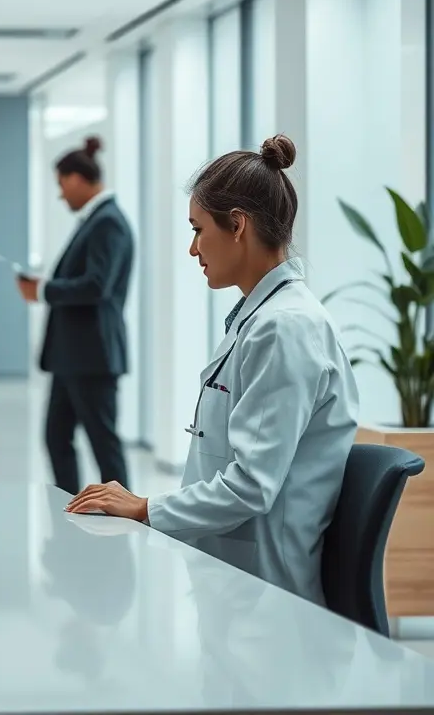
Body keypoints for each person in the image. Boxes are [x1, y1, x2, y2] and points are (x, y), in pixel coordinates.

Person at [65, 135, 360, 606]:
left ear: (237, 225)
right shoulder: (263, 319)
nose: (193, 248)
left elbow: (251, 488)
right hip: (232, 578)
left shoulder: (284, 327)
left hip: (265, 599)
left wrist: (143, 507)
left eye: (198, 230)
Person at [18, 136, 134, 494]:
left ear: (78, 179)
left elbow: (97, 285)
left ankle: (125, 512)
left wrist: (43, 290)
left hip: (92, 356)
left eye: (61, 184)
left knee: (103, 443)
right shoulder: (95, 220)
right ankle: (67, 505)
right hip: (73, 357)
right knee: (57, 437)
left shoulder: (108, 222)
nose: (60, 194)